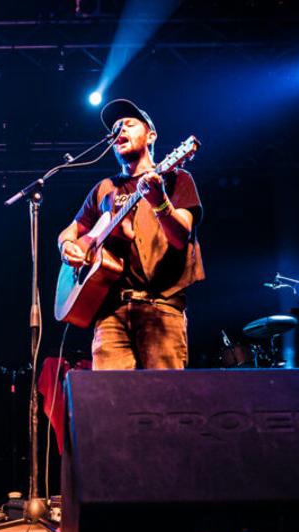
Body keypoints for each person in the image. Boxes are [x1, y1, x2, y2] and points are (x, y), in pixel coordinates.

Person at [57, 99, 204, 370]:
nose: (119, 130)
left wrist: (159, 202)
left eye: (128, 124)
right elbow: (70, 231)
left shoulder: (176, 179)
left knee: (164, 400)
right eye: (114, 128)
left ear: (151, 135)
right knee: (108, 402)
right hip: (110, 314)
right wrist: (67, 245)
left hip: (161, 308)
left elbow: (180, 237)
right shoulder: (104, 188)